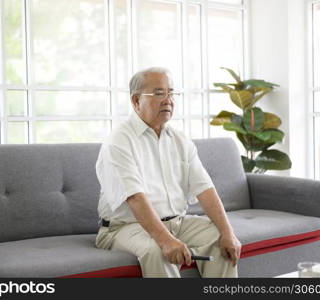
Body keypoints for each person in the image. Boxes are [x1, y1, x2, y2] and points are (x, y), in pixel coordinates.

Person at [94, 67, 241, 278]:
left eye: (171, 93)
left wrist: (228, 233)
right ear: (136, 101)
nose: (168, 99)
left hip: (175, 222)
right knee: (157, 250)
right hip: (124, 228)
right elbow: (135, 198)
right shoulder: (119, 141)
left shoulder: (180, 139)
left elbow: (205, 188)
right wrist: (166, 241)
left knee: (220, 237)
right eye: (158, 93)